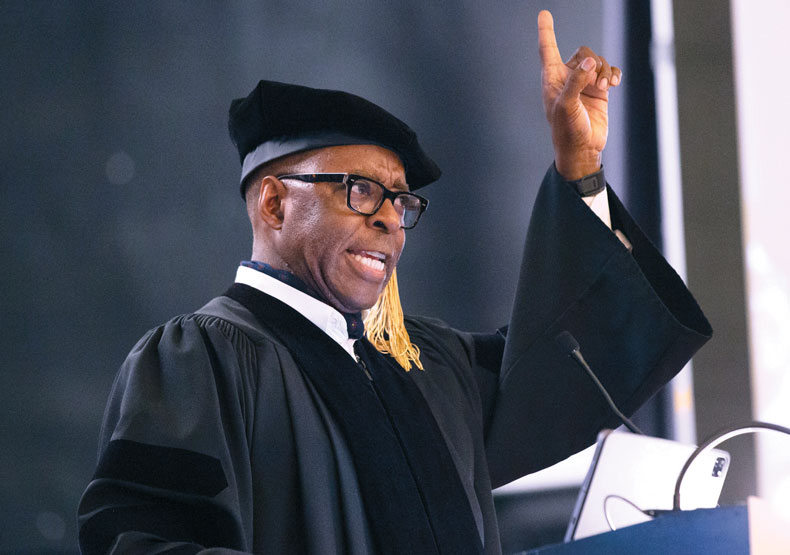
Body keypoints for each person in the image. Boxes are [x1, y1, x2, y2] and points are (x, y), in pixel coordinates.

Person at [78, 11, 711, 555]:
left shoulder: (427, 366)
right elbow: (146, 540)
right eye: (359, 191)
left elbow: (569, 363)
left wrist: (581, 168)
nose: (389, 217)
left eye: (401, 202)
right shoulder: (202, 361)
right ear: (273, 203)